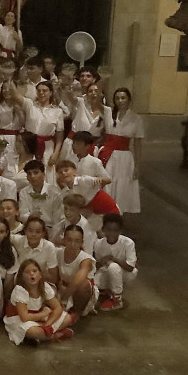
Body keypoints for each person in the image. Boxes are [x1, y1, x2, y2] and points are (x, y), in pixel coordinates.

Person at [2, 259, 75, 345]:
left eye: (34, 271)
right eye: (27, 272)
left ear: (40, 275)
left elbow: (57, 308)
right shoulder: (20, 291)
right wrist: (43, 314)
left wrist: (48, 324)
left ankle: (43, 335)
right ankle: (55, 335)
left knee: (67, 318)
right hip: (19, 320)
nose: (31, 274)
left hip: (38, 318)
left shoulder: (44, 287)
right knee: (32, 331)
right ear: (22, 277)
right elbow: (24, 317)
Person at [103, 88, 143, 217]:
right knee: (108, 183)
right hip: (108, 154)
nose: (120, 101)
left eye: (123, 98)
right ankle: (105, 212)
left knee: (122, 185)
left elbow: (137, 144)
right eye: (117, 98)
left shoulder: (136, 119)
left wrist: (137, 165)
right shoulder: (108, 113)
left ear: (129, 100)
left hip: (124, 157)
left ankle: (117, 214)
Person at [94, 213, 137, 311]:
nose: (111, 233)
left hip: (125, 273)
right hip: (106, 272)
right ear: (103, 229)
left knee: (113, 267)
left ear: (120, 231)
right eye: (108, 230)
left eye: (115, 231)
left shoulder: (128, 243)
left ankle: (117, 299)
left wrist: (113, 258)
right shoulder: (98, 244)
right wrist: (102, 261)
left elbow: (130, 267)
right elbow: (96, 267)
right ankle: (108, 291)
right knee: (94, 285)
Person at [54, 225, 97, 317]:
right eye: (69, 240)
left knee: (83, 284)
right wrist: (59, 285)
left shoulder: (86, 259)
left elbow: (78, 280)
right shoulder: (57, 252)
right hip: (60, 288)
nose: (73, 244)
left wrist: (64, 298)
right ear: (64, 240)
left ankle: (76, 313)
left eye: (77, 241)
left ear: (82, 242)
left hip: (78, 293)